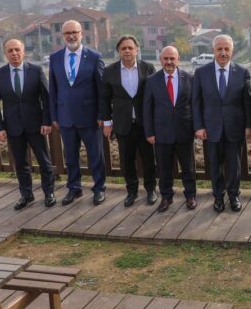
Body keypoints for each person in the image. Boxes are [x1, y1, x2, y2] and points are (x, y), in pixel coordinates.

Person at [0, 38, 55, 209]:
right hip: (12, 127)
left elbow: (46, 99)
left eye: (17, 50)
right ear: (5, 54)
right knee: (20, 163)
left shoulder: (36, 70)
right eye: (10, 51)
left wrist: (46, 121)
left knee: (44, 162)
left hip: (36, 125)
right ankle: (26, 195)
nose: (14, 53)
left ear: (24, 51)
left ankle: (49, 193)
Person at [192, 34, 251, 212]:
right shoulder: (201, 73)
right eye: (219, 49)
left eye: (226, 49)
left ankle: (234, 196)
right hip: (211, 129)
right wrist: (199, 126)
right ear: (213, 51)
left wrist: (249, 126)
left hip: (235, 128)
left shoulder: (242, 72)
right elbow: (196, 102)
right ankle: (218, 197)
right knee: (214, 165)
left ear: (232, 51)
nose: (223, 53)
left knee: (234, 166)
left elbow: (249, 103)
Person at [48, 19, 106, 205]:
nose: (71, 36)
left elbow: (101, 90)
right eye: (67, 33)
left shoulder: (95, 57)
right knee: (71, 156)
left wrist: (101, 115)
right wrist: (54, 116)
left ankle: (99, 189)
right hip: (65, 117)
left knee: (95, 155)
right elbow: (53, 89)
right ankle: (74, 188)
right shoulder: (55, 58)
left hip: (90, 117)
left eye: (74, 32)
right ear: (62, 36)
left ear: (82, 33)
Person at [100, 35, 157, 207]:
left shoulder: (148, 68)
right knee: (127, 160)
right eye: (123, 48)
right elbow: (104, 99)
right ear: (118, 51)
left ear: (136, 50)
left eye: (130, 48)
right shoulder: (109, 71)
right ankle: (131, 191)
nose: (127, 51)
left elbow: (155, 97)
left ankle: (151, 190)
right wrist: (107, 123)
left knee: (148, 159)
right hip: (123, 124)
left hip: (144, 123)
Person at [144, 46, 197, 212]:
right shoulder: (152, 80)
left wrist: (196, 128)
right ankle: (166, 197)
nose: (169, 62)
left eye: (172, 58)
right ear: (160, 60)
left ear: (178, 59)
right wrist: (150, 132)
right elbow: (147, 108)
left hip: (184, 132)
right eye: (165, 59)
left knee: (188, 167)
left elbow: (194, 106)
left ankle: (190, 195)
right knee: (164, 168)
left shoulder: (189, 78)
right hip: (161, 134)